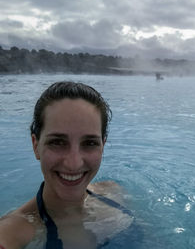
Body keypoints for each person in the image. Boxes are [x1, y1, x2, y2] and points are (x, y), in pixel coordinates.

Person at [0, 81, 135, 249]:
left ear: (103, 146)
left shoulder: (114, 192)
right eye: (57, 142)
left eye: (90, 143)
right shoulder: (13, 233)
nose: (73, 164)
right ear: (36, 145)